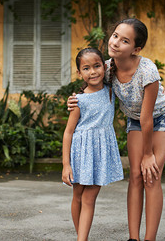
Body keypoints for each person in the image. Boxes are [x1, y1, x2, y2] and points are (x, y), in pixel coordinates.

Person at [67, 18, 165, 241]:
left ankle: (149, 239)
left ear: (136, 49)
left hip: (162, 119)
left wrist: (148, 155)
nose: (115, 42)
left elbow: (148, 119)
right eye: (115, 35)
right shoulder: (106, 68)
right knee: (135, 176)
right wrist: (73, 101)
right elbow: (91, 85)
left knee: (151, 175)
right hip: (136, 122)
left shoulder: (148, 72)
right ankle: (133, 238)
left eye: (124, 40)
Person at [62, 47, 124, 241]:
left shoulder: (111, 90)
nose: (93, 72)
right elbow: (68, 132)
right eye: (86, 68)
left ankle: (82, 239)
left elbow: (122, 66)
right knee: (78, 196)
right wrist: (66, 165)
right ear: (79, 73)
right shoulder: (78, 101)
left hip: (101, 153)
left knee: (89, 197)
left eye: (97, 66)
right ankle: (81, 236)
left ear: (104, 67)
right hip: (81, 152)